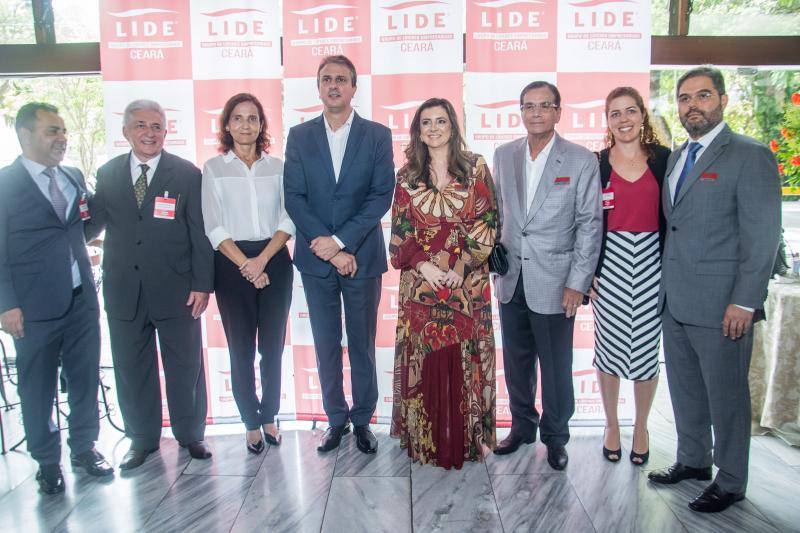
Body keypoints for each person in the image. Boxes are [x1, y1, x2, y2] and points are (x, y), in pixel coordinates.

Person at [648, 67, 781, 513]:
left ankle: (731, 480)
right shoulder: (677, 156)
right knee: (685, 389)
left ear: (722, 100)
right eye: (684, 98)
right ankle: (693, 460)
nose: (692, 106)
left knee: (727, 397)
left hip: (724, 305)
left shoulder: (749, 155)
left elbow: (762, 237)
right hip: (675, 299)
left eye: (702, 96)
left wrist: (745, 300)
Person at [86, 99, 215, 469]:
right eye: (141, 125)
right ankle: (141, 440)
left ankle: (190, 435)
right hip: (125, 291)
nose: (149, 132)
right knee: (131, 368)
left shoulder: (186, 174)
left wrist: (202, 284)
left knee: (185, 367)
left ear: (166, 131)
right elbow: (91, 226)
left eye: (157, 126)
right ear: (126, 131)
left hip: (177, 290)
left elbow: (200, 233)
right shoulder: (108, 173)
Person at [0, 102, 113, 494]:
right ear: (25, 134)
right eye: (52, 131)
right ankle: (47, 462)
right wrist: (6, 304)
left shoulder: (72, 176)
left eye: (63, 131)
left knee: (84, 379)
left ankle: (84, 448)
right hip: (31, 308)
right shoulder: (5, 184)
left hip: (81, 300)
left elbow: (82, 225)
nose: (62, 138)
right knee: (37, 388)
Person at [284, 55, 394, 455]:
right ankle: (335, 420)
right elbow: (294, 197)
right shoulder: (299, 136)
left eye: (341, 79)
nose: (334, 85)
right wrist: (328, 248)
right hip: (316, 260)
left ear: (353, 88)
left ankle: (362, 420)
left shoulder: (377, 135)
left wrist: (342, 242)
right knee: (326, 342)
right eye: (327, 79)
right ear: (318, 87)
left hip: (362, 256)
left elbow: (381, 195)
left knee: (362, 343)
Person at [492, 81, 602, 470]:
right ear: (521, 111)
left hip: (557, 283)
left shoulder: (581, 160)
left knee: (555, 367)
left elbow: (590, 224)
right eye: (528, 106)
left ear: (558, 111)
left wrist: (577, 282)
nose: (536, 112)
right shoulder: (503, 155)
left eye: (544, 105)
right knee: (516, 363)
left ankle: (555, 437)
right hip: (511, 279)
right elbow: (498, 212)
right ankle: (522, 427)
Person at [388, 98, 497, 469]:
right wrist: (425, 267)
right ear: (418, 132)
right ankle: (426, 442)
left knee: (465, 359)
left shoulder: (475, 167)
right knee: (426, 361)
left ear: (453, 126)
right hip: (421, 285)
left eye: (440, 121)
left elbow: (489, 221)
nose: (433, 128)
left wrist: (461, 267)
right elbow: (400, 230)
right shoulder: (406, 176)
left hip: (467, 283)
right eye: (426, 123)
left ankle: (467, 440)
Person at [201, 93, 294, 454]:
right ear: (227, 124)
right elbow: (214, 226)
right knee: (241, 349)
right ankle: (250, 423)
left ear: (261, 125)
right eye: (238, 118)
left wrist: (262, 261)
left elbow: (288, 218)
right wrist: (247, 265)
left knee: (272, 348)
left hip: (274, 259)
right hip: (231, 263)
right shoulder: (214, 168)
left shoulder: (278, 167)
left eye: (252, 118)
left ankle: (269, 416)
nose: (245, 125)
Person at [589, 87, 671, 465]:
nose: (624, 120)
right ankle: (611, 425)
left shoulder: (664, 160)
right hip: (610, 265)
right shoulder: (596, 164)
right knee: (608, 347)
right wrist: (587, 271)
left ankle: (641, 427)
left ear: (642, 115)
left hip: (654, 263)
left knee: (646, 351)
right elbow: (585, 221)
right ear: (607, 121)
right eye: (615, 113)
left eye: (630, 111)